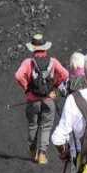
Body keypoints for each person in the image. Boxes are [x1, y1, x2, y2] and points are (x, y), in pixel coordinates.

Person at [15, 34, 68, 164]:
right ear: (45, 48)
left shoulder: (28, 62)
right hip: (48, 99)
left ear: (33, 48)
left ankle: (32, 149)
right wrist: (54, 85)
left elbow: (18, 76)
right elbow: (65, 74)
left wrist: (26, 87)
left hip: (33, 100)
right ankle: (42, 155)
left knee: (33, 125)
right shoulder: (53, 62)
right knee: (46, 126)